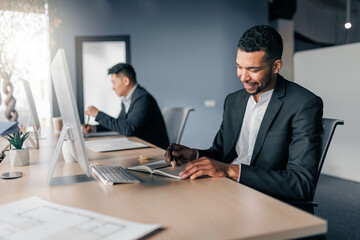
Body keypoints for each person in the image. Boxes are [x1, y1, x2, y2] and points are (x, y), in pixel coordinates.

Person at [165, 25, 323, 207]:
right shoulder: (233, 101)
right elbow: (220, 153)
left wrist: (231, 171)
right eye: (239, 67)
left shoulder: (303, 103)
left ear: (276, 66)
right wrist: (194, 154)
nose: (243, 77)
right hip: (225, 189)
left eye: (253, 69)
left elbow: (301, 183)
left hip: (265, 201)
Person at [83, 63, 169, 149]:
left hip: (155, 151)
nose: (113, 87)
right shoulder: (127, 100)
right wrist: (94, 129)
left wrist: (98, 114)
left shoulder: (143, 99)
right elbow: (120, 125)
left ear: (126, 81)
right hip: (140, 148)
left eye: (114, 83)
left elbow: (128, 129)